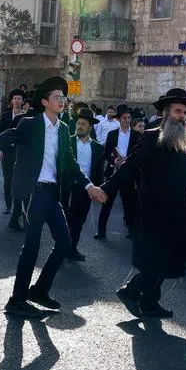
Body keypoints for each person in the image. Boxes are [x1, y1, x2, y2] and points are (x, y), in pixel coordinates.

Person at [0, 76, 105, 318]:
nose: (62, 101)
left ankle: (40, 290)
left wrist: (88, 185)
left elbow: (70, 163)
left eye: (63, 97)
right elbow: (0, 139)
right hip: (33, 192)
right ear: (44, 102)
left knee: (64, 242)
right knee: (31, 246)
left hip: (53, 193)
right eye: (56, 97)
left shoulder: (64, 129)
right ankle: (17, 300)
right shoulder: (30, 125)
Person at [99, 89, 186, 318]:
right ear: (166, 113)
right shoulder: (151, 137)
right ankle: (131, 291)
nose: (182, 115)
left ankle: (150, 303)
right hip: (153, 212)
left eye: (185, 112)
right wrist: (106, 189)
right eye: (178, 111)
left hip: (177, 212)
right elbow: (130, 166)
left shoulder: (184, 142)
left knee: (170, 259)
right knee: (158, 260)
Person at [64, 108, 104, 262]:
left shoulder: (97, 148)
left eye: (83, 124)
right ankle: (61, 249)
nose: (79, 126)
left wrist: (98, 190)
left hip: (86, 189)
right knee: (66, 220)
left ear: (90, 127)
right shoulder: (68, 141)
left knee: (79, 220)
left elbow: (98, 172)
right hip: (68, 187)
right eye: (78, 123)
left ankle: (72, 249)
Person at [95, 104, 140, 240]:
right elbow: (107, 152)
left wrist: (129, 160)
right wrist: (113, 160)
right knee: (107, 202)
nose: (127, 120)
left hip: (128, 174)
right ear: (119, 119)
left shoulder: (137, 135)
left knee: (129, 203)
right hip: (113, 172)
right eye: (124, 118)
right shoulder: (112, 134)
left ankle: (131, 229)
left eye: (128, 118)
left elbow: (138, 154)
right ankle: (101, 231)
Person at [0, 88, 28, 229]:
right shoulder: (6, 115)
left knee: (19, 180)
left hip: (20, 152)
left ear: (23, 101)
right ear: (11, 101)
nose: (17, 101)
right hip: (7, 152)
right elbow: (0, 133)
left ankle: (19, 208)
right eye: (15, 98)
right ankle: (8, 205)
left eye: (19, 98)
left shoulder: (27, 117)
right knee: (8, 179)